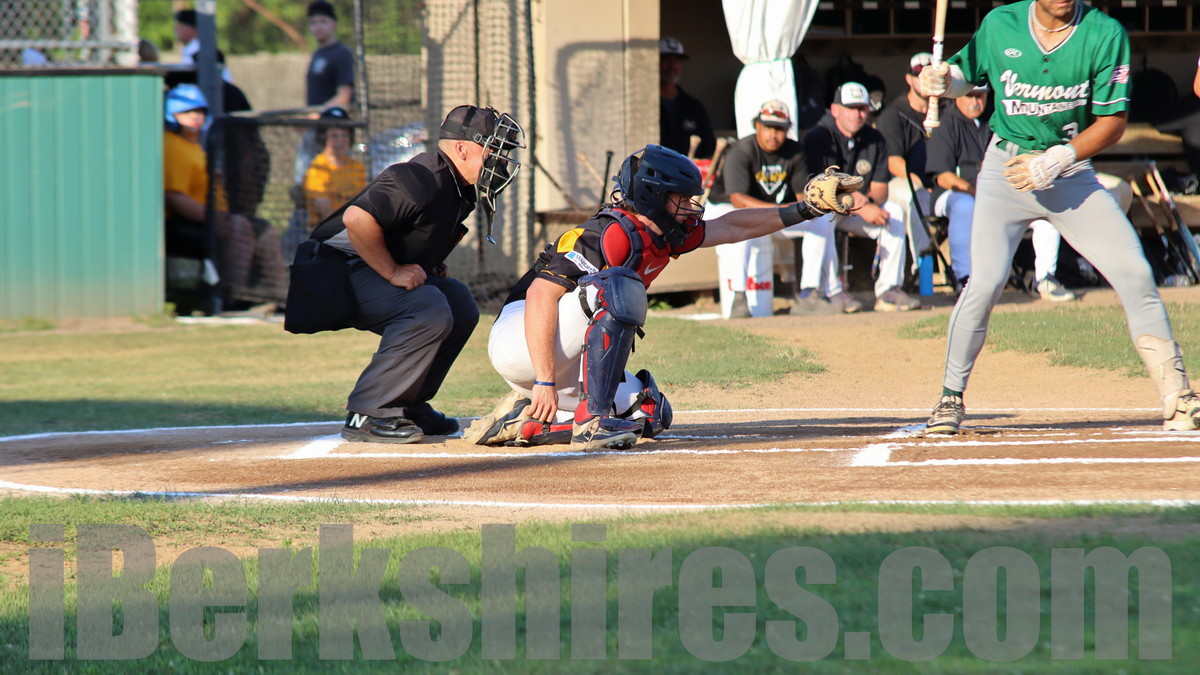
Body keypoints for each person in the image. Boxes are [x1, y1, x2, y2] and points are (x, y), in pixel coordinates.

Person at [463, 145, 863, 451]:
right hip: (520, 340)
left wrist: (805, 209)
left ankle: (529, 421)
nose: (691, 207)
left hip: (553, 354)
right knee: (618, 284)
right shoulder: (607, 232)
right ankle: (591, 420)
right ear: (654, 195)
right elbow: (539, 294)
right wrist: (545, 380)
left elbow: (733, 226)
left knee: (649, 411)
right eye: (681, 198)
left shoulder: (664, 231)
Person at [919, 0, 1200, 434]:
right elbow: (965, 74)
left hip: (1069, 172)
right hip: (1006, 170)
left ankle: (1178, 397)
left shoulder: (1104, 33)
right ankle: (949, 398)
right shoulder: (1002, 24)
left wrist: (1057, 160)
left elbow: (1112, 123)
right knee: (986, 282)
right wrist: (943, 80)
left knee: (1134, 272)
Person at [297, 105, 525, 444]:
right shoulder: (420, 178)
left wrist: (424, 262)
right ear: (462, 148)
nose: (501, 161)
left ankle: (408, 403)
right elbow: (357, 219)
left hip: (355, 271)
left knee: (459, 303)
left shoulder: (457, 187)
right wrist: (392, 271)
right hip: (328, 275)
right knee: (428, 306)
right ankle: (369, 412)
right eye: (493, 150)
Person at [708, 99, 858, 317]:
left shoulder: (794, 151)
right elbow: (738, 200)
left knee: (821, 220)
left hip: (771, 211)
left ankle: (809, 295)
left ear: (787, 130)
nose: (773, 134)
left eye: (779, 128)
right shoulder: (742, 150)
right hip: (727, 211)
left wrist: (821, 201)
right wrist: (780, 210)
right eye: (768, 127)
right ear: (757, 125)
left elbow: (802, 198)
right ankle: (739, 299)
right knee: (741, 224)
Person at [793, 82, 918, 313]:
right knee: (822, 217)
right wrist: (858, 204)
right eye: (850, 108)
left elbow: (880, 188)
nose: (857, 114)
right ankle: (832, 292)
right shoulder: (817, 136)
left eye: (862, 108)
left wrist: (867, 204)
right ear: (835, 109)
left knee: (895, 213)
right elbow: (817, 191)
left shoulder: (875, 138)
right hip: (827, 209)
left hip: (857, 209)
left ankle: (889, 291)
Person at [163, 84, 287, 308]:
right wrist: (212, 217)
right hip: (181, 223)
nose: (195, 117)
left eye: (199, 111)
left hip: (207, 217)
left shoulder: (196, 145)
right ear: (172, 114)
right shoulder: (173, 146)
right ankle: (230, 298)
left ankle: (280, 298)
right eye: (187, 112)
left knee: (264, 229)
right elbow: (174, 197)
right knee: (238, 226)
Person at [876, 53, 936, 279]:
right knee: (917, 195)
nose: (926, 80)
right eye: (920, 75)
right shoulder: (894, 113)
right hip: (899, 184)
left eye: (931, 75)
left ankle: (968, 273)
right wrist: (921, 184)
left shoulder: (947, 110)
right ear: (909, 79)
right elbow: (893, 163)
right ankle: (923, 267)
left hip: (939, 184)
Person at [303, 107, 367, 224]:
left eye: (345, 135)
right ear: (323, 138)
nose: (341, 141)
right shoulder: (318, 167)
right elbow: (324, 209)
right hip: (330, 229)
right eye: (334, 136)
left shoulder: (357, 167)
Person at [659, 37, 716, 160]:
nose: (672, 66)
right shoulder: (647, 106)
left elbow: (709, 150)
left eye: (676, 60)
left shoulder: (694, 107)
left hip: (688, 171)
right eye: (666, 60)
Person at [174, 9, 233, 83]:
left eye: (180, 26)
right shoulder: (191, 49)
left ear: (192, 29)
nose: (176, 30)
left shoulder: (203, 51)